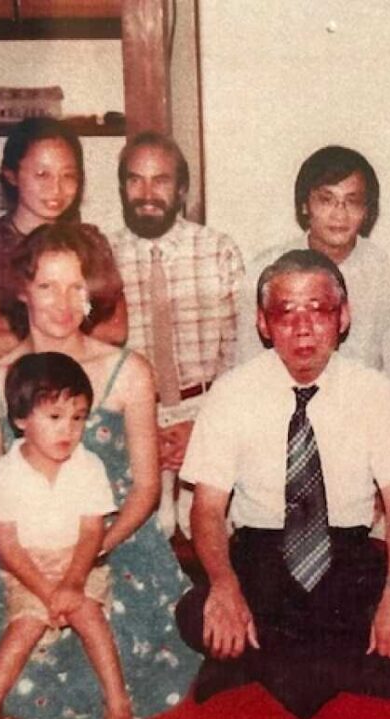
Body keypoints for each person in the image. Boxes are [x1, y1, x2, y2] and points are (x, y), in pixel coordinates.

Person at [0, 222, 199, 719]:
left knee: (118, 648)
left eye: (77, 286)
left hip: (117, 542)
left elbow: (146, 487)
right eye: (47, 286)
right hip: (25, 552)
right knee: (8, 646)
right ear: (22, 292)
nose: (63, 302)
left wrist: (92, 552)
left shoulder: (129, 371)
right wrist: (38, 572)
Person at [175, 249, 390, 719]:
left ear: (343, 317)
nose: (302, 328)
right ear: (262, 322)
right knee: (195, 611)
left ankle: (256, 665)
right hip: (262, 556)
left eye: (318, 310)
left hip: (345, 555)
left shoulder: (375, 391)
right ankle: (360, 671)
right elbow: (207, 508)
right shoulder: (232, 392)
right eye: (285, 312)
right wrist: (223, 586)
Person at [0, 352, 129, 719]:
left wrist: (74, 583)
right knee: (24, 626)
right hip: (27, 568)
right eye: (55, 417)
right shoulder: (4, 474)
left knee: (90, 617)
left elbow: (93, 532)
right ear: (22, 419)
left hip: (79, 560)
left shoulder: (88, 466)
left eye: (78, 418)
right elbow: (6, 546)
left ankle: (118, 707)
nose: (70, 430)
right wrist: (44, 591)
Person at [110, 131, 244, 538]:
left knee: (211, 531)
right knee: (145, 534)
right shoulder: (100, 254)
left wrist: (203, 427)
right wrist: (141, 428)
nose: (147, 193)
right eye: (135, 180)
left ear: (182, 189)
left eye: (161, 180)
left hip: (205, 408)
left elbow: (243, 356)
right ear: (122, 187)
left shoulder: (218, 251)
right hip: (130, 418)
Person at [236, 145, 390, 413]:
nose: (339, 214)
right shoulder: (266, 270)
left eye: (352, 201)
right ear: (304, 204)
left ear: (367, 210)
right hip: (280, 416)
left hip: (363, 421)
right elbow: (247, 365)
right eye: (326, 200)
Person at [0, 117, 125, 360]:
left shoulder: (91, 241)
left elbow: (115, 330)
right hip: (15, 385)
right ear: (11, 174)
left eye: (68, 176)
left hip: (86, 377)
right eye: (42, 174)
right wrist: (79, 327)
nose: (56, 189)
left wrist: (21, 331)